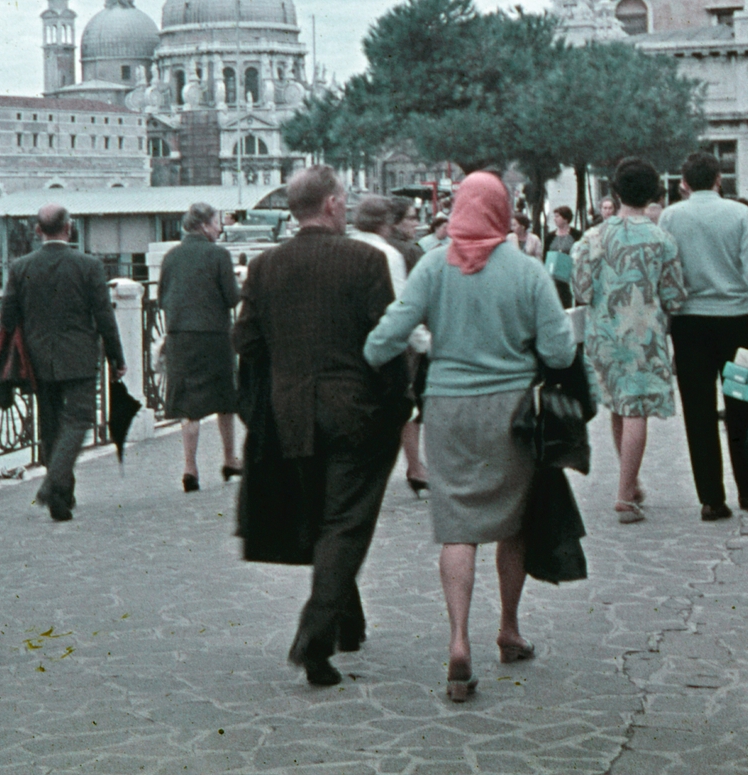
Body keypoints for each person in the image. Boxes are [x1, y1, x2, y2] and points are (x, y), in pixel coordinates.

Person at [364, 172, 576, 704]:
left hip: (447, 411)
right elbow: (558, 351)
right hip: (510, 412)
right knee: (513, 523)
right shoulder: (528, 272)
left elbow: (389, 334)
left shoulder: (433, 265)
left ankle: (458, 641)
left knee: (457, 528)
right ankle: (508, 628)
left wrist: (367, 359)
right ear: (502, 212)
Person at [233, 166, 407, 688]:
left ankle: (347, 624)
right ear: (332, 205)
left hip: (291, 414)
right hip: (356, 411)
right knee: (346, 521)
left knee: (323, 516)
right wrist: (399, 406)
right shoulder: (365, 260)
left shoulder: (265, 266)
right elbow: (388, 340)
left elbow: (247, 343)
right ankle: (315, 637)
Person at [570, 157, 686, 523]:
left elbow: (582, 290)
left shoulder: (592, 237)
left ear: (615, 192)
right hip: (644, 334)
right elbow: (674, 295)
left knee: (620, 407)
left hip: (603, 333)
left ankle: (630, 482)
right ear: (653, 193)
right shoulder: (661, 239)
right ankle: (624, 494)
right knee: (637, 410)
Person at [0, 203, 126, 522]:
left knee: (51, 424)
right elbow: (104, 316)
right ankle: (53, 485)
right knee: (79, 419)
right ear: (69, 228)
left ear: (38, 231)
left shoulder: (21, 267)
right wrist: (116, 357)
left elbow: (7, 317)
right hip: (80, 357)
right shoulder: (89, 265)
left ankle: (61, 495)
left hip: (38, 358)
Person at [658, 150, 748, 521]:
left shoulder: (670, 216)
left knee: (697, 409)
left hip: (689, 323)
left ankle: (711, 498)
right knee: (743, 406)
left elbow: (667, 271)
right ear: (718, 179)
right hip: (739, 324)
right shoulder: (742, 215)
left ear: (683, 182)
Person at [156, 201, 243, 492]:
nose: (220, 227)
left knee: (189, 407)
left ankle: (190, 468)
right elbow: (232, 298)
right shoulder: (218, 255)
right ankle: (230, 459)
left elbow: (161, 298)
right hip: (214, 337)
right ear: (205, 225)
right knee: (225, 401)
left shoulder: (171, 256)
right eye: (217, 222)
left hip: (180, 337)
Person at [349, 196, 431, 495]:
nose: (415, 223)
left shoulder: (348, 247)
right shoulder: (398, 253)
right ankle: (414, 467)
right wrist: (426, 343)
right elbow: (402, 307)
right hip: (391, 342)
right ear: (388, 222)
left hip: (353, 343)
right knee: (404, 402)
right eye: (410, 217)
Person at [544, 206, 577, 309]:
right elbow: (545, 255)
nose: (555, 219)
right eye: (554, 216)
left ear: (566, 219)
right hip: (554, 276)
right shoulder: (550, 236)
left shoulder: (576, 234)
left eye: (557, 216)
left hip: (570, 275)